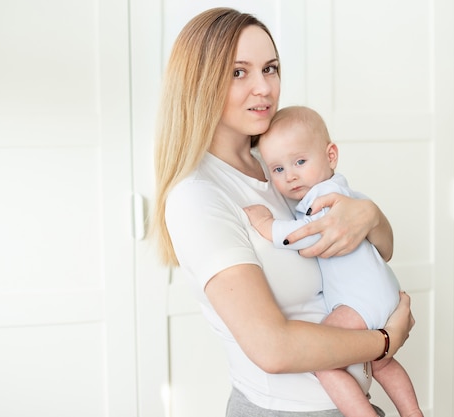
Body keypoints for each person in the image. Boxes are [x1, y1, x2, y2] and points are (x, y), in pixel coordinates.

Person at [151, 7, 415, 417]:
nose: (264, 88)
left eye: (270, 68)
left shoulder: (277, 164)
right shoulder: (198, 195)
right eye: (239, 72)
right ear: (201, 83)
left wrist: (370, 216)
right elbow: (272, 348)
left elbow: (382, 248)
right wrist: (384, 341)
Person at [244, 106, 423, 417]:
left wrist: (267, 227)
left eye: (300, 161)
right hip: (381, 294)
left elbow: (311, 235)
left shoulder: (324, 198)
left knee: (322, 361)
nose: (291, 175)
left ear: (331, 155)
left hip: (359, 302)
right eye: (278, 169)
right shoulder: (345, 191)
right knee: (382, 363)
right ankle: (412, 412)